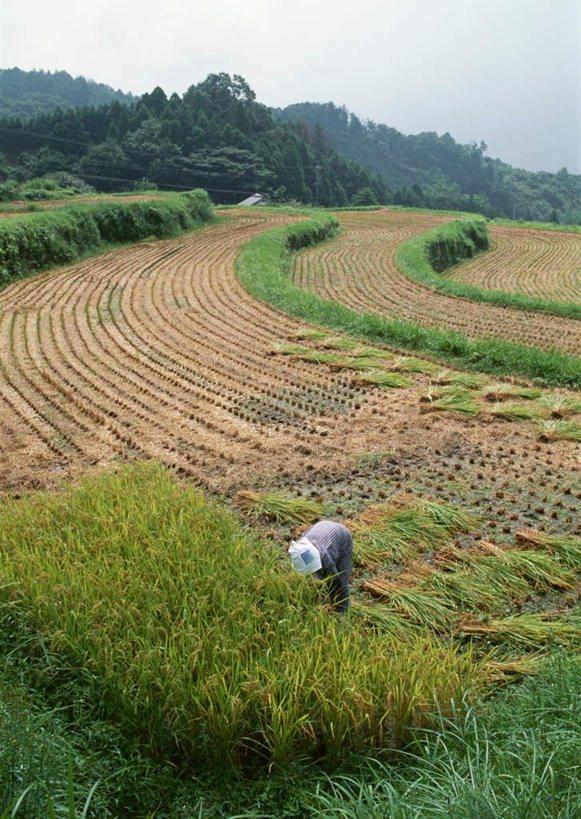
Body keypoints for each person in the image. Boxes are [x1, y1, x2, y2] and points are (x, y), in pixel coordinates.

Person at [288, 520, 353, 613]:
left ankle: (343, 616)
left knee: (342, 582)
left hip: (342, 536)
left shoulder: (325, 558)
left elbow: (336, 582)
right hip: (321, 528)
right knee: (315, 582)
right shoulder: (297, 550)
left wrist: (334, 599)